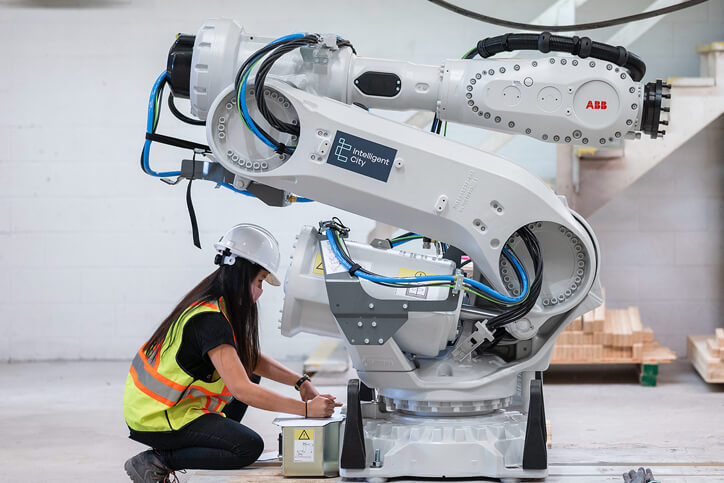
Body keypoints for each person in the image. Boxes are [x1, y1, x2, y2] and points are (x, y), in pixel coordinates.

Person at [122, 224, 342, 482]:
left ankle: (212, 440)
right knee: (247, 447)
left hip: (167, 407)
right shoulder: (210, 318)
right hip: (156, 415)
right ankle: (158, 461)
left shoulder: (217, 304)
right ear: (243, 273)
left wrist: (301, 382)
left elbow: (250, 358)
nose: (260, 291)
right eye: (259, 281)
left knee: (248, 372)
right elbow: (242, 390)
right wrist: (305, 410)